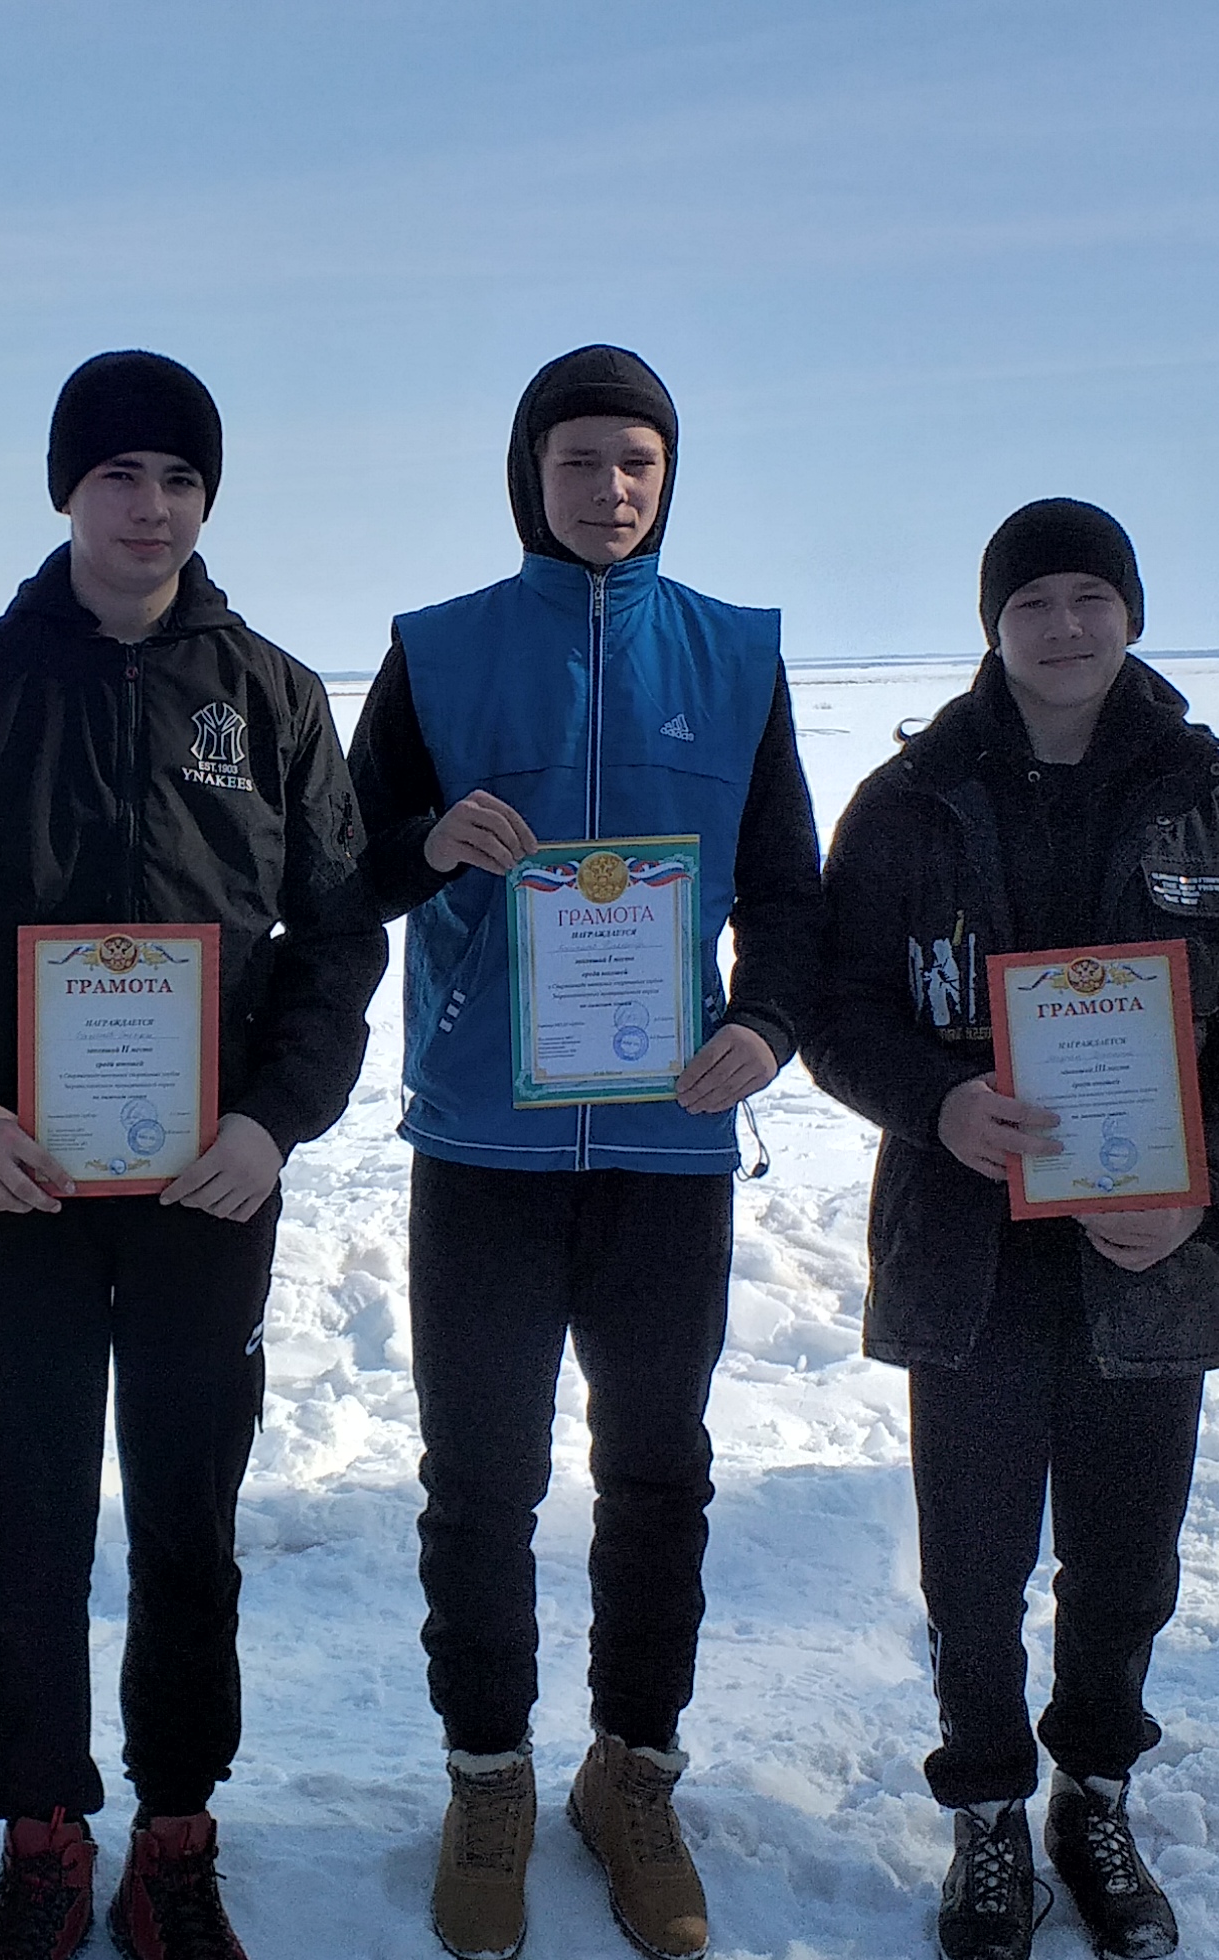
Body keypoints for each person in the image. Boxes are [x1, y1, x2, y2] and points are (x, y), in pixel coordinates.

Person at [0, 350, 385, 1960]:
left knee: (187, 1510)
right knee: (24, 1507)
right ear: (65, 491)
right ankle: (40, 1827)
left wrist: (269, 1121)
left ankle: (175, 1827)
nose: (149, 508)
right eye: (118, 477)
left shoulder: (276, 697)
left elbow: (338, 936)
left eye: (178, 479)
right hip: (14, 1183)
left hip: (202, 1188)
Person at [343, 345, 823, 1960]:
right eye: (577, 462)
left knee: (656, 1473)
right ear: (525, 475)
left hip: (668, 1151)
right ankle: (488, 1776)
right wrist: (425, 842)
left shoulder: (738, 657)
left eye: (635, 461)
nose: (608, 490)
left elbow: (794, 900)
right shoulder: (440, 650)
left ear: (668, 475)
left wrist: (766, 1031)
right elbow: (339, 874)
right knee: (480, 1480)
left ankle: (634, 1773)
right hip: (482, 1141)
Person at [799, 499, 1219, 1960]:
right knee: (970, 1563)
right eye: (1035, 604)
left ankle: (1093, 1794)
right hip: (967, 1250)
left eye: (1092, 596)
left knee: (1125, 1559)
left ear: (1131, 614)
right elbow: (836, 1013)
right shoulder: (907, 802)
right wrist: (935, 1104)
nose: (1066, 626)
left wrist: (1204, 1194)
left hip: (1145, 1253)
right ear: (994, 626)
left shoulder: (1206, 793)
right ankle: (984, 1815)